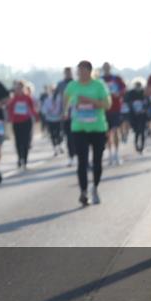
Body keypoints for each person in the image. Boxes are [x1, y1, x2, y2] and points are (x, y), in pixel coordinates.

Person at [63, 60, 110, 206]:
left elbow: (108, 105)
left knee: (97, 162)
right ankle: (83, 192)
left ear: (89, 71)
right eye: (78, 71)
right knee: (82, 162)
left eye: (83, 71)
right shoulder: (73, 86)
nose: (80, 74)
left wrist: (90, 101)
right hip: (79, 128)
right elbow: (66, 98)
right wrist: (65, 111)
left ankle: (95, 187)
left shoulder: (99, 85)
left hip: (97, 128)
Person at [6, 80, 38, 170]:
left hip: (26, 122)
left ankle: (25, 161)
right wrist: (10, 118)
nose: (18, 90)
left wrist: (36, 116)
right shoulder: (13, 99)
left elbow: (32, 109)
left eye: (20, 88)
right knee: (18, 142)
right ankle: (20, 158)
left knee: (26, 142)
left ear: (23, 88)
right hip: (16, 122)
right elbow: (9, 109)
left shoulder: (28, 98)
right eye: (17, 88)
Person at [100, 62, 127, 166]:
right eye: (104, 67)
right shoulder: (100, 80)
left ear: (110, 68)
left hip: (116, 108)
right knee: (107, 133)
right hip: (104, 110)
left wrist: (119, 94)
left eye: (108, 67)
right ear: (103, 68)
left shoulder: (116, 78)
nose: (106, 68)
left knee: (115, 131)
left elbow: (124, 89)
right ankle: (110, 154)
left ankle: (116, 153)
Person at [55, 67, 76, 166]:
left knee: (77, 137)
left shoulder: (77, 83)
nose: (68, 74)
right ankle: (71, 156)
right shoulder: (60, 84)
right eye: (66, 72)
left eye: (69, 72)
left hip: (78, 115)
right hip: (66, 115)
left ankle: (78, 154)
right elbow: (56, 99)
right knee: (68, 137)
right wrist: (60, 112)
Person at [124, 80, 149, 154]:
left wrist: (144, 109)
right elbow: (127, 101)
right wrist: (133, 108)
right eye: (137, 85)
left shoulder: (144, 92)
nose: (138, 87)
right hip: (134, 115)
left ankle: (142, 146)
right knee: (137, 132)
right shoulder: (130, 93)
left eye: (139, 85)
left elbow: (148, 103)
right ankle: (136, 146)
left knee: (142, 131)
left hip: (142, 115)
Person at [41, 85, 65, 155]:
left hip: (58, 119)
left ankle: (59, 146)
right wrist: (48, 111)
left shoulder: (60, 98)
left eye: (54, 90)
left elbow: (63, 107)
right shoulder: (47, 99)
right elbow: (43, 110)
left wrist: (62, 113)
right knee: (52, 135)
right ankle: (55, 148)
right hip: (50, 119)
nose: (53, 92)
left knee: (59, 134)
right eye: (51, 91)